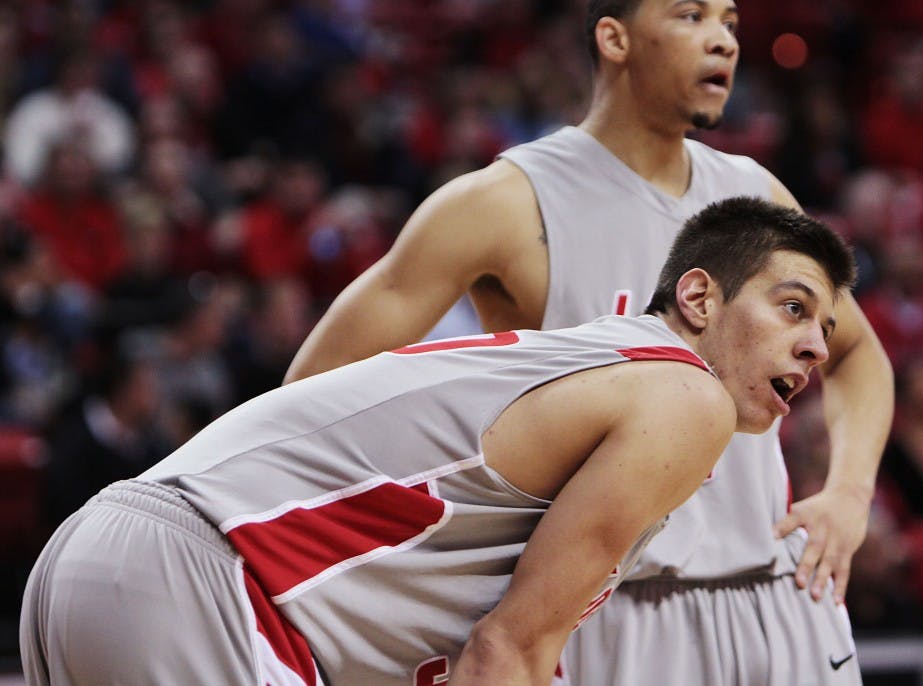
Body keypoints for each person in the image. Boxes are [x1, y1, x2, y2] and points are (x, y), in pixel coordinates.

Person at [283, 0, 894, 685]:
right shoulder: (503, 202)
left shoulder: (756, 195)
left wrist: (849, 494)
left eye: (731, 23)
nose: (726, 40)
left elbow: (857, 353)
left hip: (774, 593)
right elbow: (310, 395)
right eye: (692, 16)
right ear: (615, 39)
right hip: (606, 614)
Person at [21, 198, 854, 686]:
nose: (817, 346)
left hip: (105, 561)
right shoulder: (684, 397)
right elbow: (508, 650)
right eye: (792, 307)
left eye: (825, 325)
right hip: (210, 583)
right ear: (700, 298)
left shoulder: (595, 357)